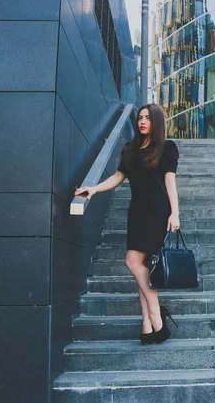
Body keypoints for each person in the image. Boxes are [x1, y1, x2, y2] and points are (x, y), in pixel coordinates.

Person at [75, 104, 180, 345]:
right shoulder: (130, 150)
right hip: (137, 213)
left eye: (148, 118)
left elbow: (170, 182)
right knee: (140, 266)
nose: (142, 121)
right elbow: (118, 177)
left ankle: (156, 315)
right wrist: (94, 189)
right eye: (140, 118)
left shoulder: (166, 148)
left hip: (157, 212)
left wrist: (175, 213)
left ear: (156, 122)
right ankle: (148, 326)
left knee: (132, 262)